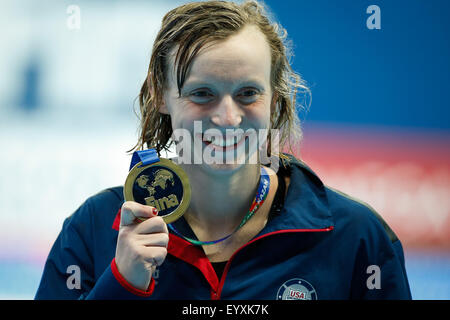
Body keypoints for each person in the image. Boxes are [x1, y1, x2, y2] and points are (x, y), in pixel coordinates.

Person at [35, 0, 411, 300]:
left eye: (248, 93)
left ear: (274, 99)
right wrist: (121, 285)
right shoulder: (95, 229)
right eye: (203, 94)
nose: (228, 118)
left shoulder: (355, 237)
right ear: (160, 95)